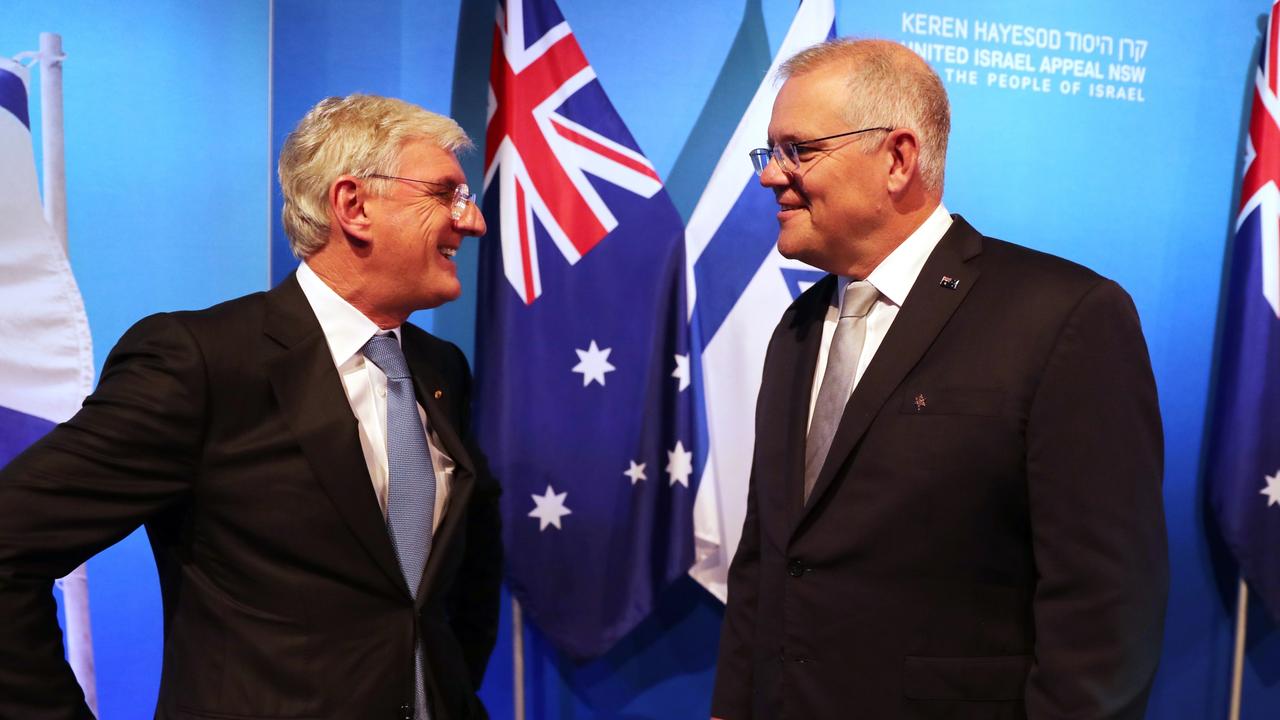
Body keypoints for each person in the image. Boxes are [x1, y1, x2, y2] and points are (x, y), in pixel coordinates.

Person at [0, 94, 501, 720]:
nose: (473, 221)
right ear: (354, 206)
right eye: (445, 193)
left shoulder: (441, 367)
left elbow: (454, 588)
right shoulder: (202, 362)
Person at [711, 39, 1167, 720]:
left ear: (897, 158)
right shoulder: (798, 327)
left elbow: (1106, 605)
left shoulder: (1063, 317)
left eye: (798, 151)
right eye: (769, 153)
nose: (771, 176)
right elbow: (766, 562)